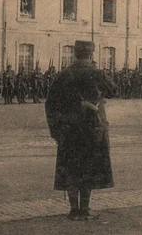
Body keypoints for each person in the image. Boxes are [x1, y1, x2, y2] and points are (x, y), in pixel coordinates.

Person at [45, 40, 117, 221]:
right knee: (89, 168)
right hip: (93, 128)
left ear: (74, 54)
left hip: (69, 129)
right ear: (91, 54)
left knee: (71, 169)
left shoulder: (64, 75)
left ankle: (73, 209)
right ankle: (84, 209)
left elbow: (50, 104)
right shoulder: (96, 73)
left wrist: (56, 131)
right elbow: (114, 90)